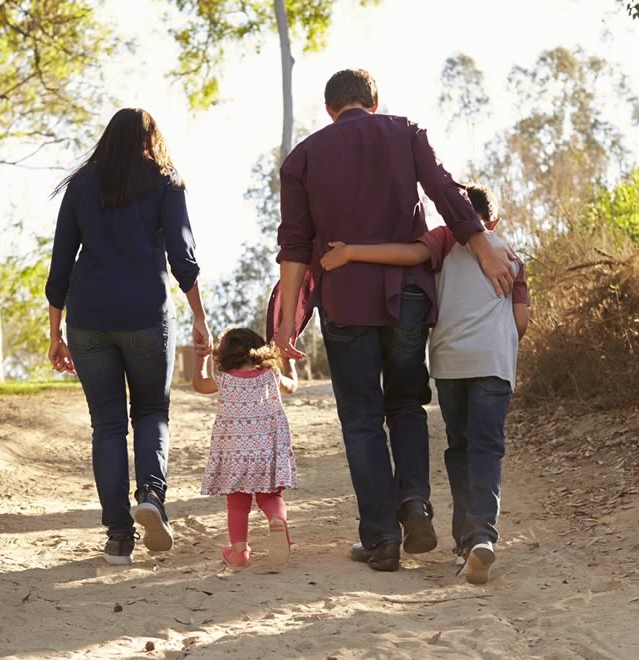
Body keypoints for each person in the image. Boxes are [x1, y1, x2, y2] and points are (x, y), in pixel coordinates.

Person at [274, 68, 516, 572]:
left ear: (329, 109)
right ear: (374, 101)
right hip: (408, 298)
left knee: (361, 419)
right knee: (406, 406)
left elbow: (294, 247)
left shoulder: (303, 158)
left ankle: (382, 539)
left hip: (345, 302)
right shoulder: (405, 133)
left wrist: (284, 326)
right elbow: (448, 194)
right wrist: (483, 247)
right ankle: (415, 505)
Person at [320, 183, 529, 584]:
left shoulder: (446, 237)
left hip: (450, 365)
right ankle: (480, 536)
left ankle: (464, 542)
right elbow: (520, 323)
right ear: (495, 220)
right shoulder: (512, 257)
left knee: (460, 447)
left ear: (454, 214)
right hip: (494, 365)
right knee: (486, 448)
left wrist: (349, 252)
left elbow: (407, 255)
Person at [45, 108, 212, 566]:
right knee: (152, 412)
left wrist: (54, 331)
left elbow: (60, 263)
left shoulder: (81, 185)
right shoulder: (165, 181)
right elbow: (183, 256)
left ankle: (119, 537)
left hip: (89, 317)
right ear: (151, 138)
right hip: (146, 314)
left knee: (107, 425)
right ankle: (152, 499)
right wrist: (200, 317)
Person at [193, 328, 298, 568]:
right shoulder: (270, 374)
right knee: (270, 496)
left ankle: (239, 552)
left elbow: (199, 384)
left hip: (235, 453)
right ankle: (277, 519)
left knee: (238, 502)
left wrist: (201, 357)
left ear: (225, 354)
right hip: (267, 451)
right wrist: (289, 364)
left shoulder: (223, 378)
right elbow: (291, 387)